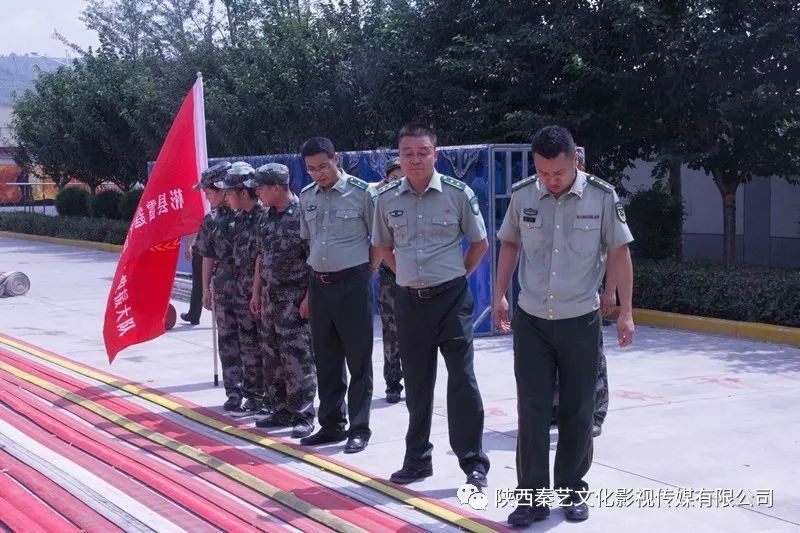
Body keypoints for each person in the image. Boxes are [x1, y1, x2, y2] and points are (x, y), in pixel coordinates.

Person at [493, 125, 635, 525]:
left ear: (575, 160)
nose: (550, 181)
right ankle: (531, 498)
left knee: (578, 409)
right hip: (533, 320)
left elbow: (620, 253)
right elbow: (510, 244)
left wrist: (625, 311)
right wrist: (499, 293)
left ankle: (573, 490)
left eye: (557, 173)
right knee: (532, 410)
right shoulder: (523, 195)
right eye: (543, 173)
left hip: (580, 320)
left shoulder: (602, 197)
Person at [372, 123, 490, 489]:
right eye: (407, 154)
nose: (415, 160)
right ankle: (418, 459)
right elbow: (384, 248)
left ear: (435, 154)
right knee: (418, 385)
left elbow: (479, 243)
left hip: (452, 300)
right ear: (399, 157)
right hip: (409, 303)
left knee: (462, 381)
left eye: (423, 152)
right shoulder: (386, 199)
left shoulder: (458, 193)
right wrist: (407, 276)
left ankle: (473, 464)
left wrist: (458, 275)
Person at [298, 137, 377, 453]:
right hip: (319, 285)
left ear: (336, 159)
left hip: (353, 283)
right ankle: (331, 425)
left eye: (323, 166)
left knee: (358, 360)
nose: (318, 174)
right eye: (311, 169)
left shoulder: (362, 192)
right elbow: (310, 242)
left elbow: (380, 240)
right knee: (326, 359)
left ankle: (359, 428)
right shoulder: (307, 197)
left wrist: (365, 275)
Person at [247, 163, 317, 438]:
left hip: (294, 298)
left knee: (297, 358)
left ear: (276, 187)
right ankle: (281, 409)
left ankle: (303, 413)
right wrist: (256, 292)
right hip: (268, 298)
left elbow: (314, 261)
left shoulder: (302, 215)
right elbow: (260, 258)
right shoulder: (265, 217)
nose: (258, 194)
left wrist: (309, 298)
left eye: (261, 188)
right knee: (271, 356)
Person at [551, 149, 613, 437]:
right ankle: (556, 409)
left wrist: (611, 292)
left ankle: (595, 413)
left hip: (587, 296)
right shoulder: (548, 198)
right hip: (553, 297)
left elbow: (616, 251)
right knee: (553, 360)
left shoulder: (599, 198)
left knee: (592, 360)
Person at [215, 162, 267, 417]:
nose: (226, 197)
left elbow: (261, 258)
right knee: (247, 347)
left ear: (243, 193)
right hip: (241, 296)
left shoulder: (263, 217)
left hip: (261, 296)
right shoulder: (239, 219)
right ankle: (253, 395)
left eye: (230, 192)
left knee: (262, 348)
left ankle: (265, 397)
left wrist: (256, 292)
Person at [194, 161, 245, 412]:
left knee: (253, 340)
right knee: (227, 340)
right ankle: (234, 391)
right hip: (223, 288)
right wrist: (206, 289)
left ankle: (258, 392)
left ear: (225, 189)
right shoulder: (211, 220)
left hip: (248, 287)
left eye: (209, 193)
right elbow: (207, 256)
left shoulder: (249, 214)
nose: (207, 197)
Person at [369, 157, 405, 403]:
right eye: (394, 177)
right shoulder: (378, 201)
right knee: (391, 331)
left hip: (416, 275)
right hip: (389, 275)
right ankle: (393, 383)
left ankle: (417, 380)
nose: (399, 182)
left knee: (416, 332)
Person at [180, 232, 203, 325]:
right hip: (216, 248)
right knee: (199, 284)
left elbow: (194, 227)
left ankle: (194, 316)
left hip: (201, 248)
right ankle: (193, 315)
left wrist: (189, 245)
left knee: (198, 284)